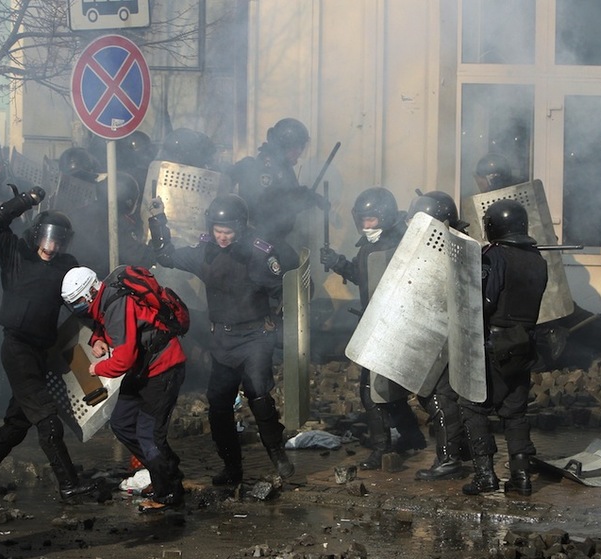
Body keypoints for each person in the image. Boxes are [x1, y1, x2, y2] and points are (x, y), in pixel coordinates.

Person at [0, 186, 97, 500]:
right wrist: (27, 200)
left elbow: (80, 304)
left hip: (41, 350)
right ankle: (69, 483)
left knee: (16, 424)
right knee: (48, 420)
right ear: (37, 234)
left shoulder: (67, 265)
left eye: (59, 240)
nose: (52, 246)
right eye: (48, 237)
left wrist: (100, 335)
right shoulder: (16, 253)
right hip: (17, 347)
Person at [151, 193, 295, 484]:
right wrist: (158, 221)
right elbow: (165, 255)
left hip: (255, 336)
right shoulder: (205, 252)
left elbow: (287, 290)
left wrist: (277, 322)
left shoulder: (258, 253)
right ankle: (232, 468)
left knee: (259, 395)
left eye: (228, 232)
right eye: (217, 231)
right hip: (222, 342)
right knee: (218, 405)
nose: (222, 238)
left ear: (240, 228)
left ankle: (277, 452)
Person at [61, 266, 188, 511]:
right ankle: (165, 469)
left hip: (163, 368)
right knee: (121, 422)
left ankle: (168, 494)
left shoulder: (116, 304)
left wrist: (97, 369)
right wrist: (97, 339)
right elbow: (105, 325)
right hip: (144, 369)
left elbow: (123, 360)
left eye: (77, 303)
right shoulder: (105, 298)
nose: (77, 309)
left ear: (89, 293)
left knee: (149, 435)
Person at [319, 187, 427, 470]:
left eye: (372, 220)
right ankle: (412, 436)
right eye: (363, 220)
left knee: (372, 392)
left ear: (386, 217)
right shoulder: (368, 246)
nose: (366, 226)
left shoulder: (402, 245)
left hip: (395, 326)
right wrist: (339, 264)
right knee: (384, 388)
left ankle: (382, 448)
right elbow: (362, 276)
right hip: (374, 326)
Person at [459, 199, 548, 497]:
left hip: (494, 343)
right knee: (515, 412)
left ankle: (485, 475)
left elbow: (485, 302)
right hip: (525, 343)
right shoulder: (538, 259)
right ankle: (521, 478)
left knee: (472, 406)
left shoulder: (495, 256)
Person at [404, 191, 470, 481]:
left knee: (438, 397)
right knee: (436, 395)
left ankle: (449, 460)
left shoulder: (453, 251)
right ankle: (461, 450)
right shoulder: (447, 246)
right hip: (437, 334)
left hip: (445, 337)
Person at [230, 117, 328, 247]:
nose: (299, 152)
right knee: (291, 262)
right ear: (282, 146)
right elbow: (272, 202)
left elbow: (286, 191)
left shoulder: (283, 166)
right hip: (260, 240)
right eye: (295, 147)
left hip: (273, 238)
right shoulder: (267, 168)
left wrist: (311, 196)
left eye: (301, 147)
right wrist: (304, 198)